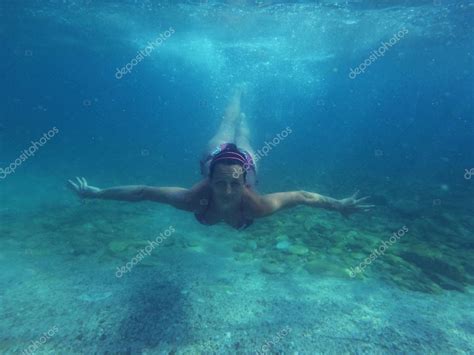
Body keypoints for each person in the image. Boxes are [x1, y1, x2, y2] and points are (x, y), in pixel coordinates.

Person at [68, 85, 373, 230]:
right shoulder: (192, 198)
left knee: (244, 137)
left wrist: (339, 206)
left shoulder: (259, 205)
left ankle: (245, 116)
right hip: (215, 156)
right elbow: (143, 192)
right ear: (208, 180)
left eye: (234, 185)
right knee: (226, 125)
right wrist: (98, 194)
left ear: (245, 184)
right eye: (220, 184)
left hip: (246, 161)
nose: (227, 191)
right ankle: (238, 93)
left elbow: (303, 195)